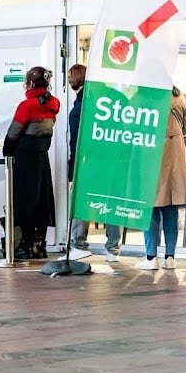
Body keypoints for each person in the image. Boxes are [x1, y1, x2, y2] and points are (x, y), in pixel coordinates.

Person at [61, 63, 121, 262]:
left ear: (75, 82)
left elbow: (76, 143)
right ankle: (113, 249)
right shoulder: (115, 98)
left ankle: (79, 245)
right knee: (111, 203)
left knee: (82, 202)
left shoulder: (81, 106)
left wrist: (72, 171)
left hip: (90, 161)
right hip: (114, 159)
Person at [3, 66, 60, 260]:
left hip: (25, 158)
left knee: (23, 201)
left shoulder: (27, 105)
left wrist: (7, 150)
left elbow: (14, 132)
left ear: (30, 84)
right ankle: (39, 244)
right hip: (42, 157)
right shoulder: (53, 103)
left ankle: (23, 244)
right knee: (42, 199)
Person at [136, 86, 186, 271]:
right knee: (171, 207)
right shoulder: (178, 97)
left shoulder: (141, 97)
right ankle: (170, 257)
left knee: (150, 206)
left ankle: (151, 257)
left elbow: (130, 127)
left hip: (149, 152)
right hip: (175, 153)